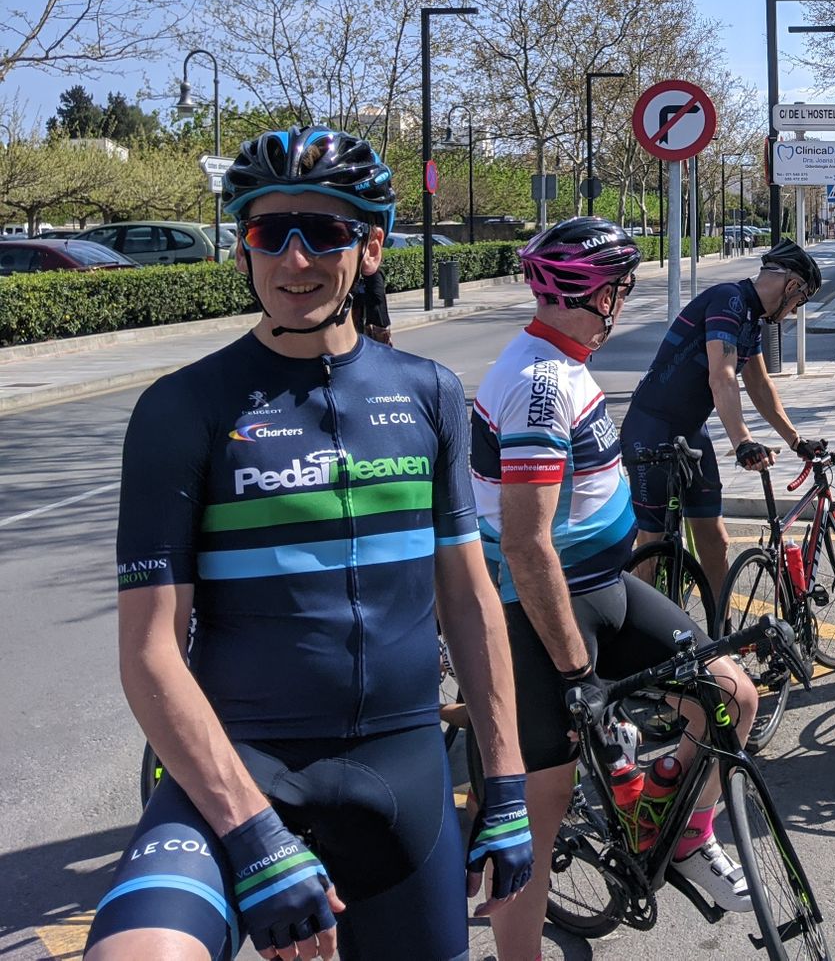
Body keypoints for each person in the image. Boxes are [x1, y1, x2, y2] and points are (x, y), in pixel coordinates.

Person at [88, 127, 531, 961]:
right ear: (243, 247)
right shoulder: (182, 408)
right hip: (238, 768)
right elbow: (149, 652)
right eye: (269, 233)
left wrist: (504, 780)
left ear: (371, 247)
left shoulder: (429, 392)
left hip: (403, 773)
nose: (295, 261)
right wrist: (252, 834)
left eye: (325, 233)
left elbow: (470, 602)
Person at [474, 217, 760, 960]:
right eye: (621, 289)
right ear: (591, 292)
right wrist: (577, 675)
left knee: (730, 695)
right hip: (542, 610)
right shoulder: (538, 384)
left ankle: (681, 831)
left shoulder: (565, 359)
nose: (626, 302)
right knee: (543, 809)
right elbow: (527, 545)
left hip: (605, 584)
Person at [620, 239, 822, 597]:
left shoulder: (751, 320)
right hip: (651, 428)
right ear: (792, 286)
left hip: (690, 433)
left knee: (715, 540)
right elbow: (722, 375)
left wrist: (795, 440)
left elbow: (759, 385)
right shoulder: (728, 300)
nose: (793, 311)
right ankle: (640, 642)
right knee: (651, 544)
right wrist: (742, 440)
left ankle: (719, 634)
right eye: (799, 302)